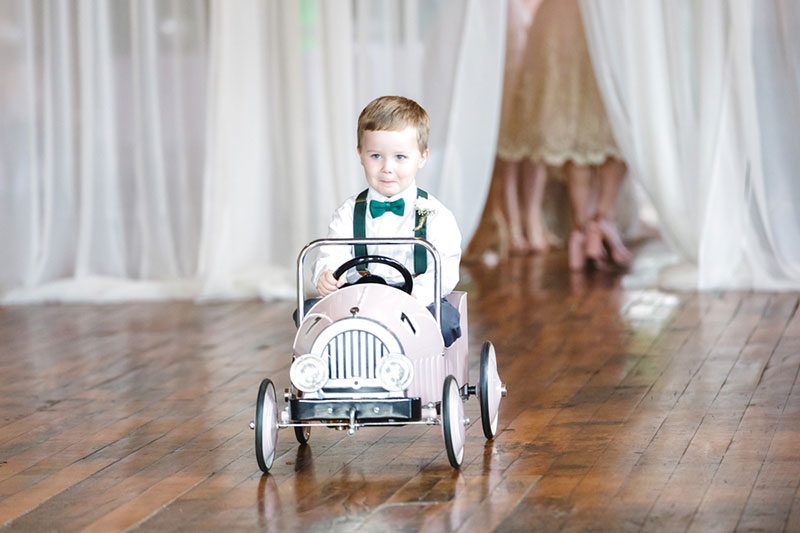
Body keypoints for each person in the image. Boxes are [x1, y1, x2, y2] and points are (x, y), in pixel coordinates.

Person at [309, 95, 462, 346]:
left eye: (400, 157)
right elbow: (331, 253)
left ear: (422, 157)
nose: (387, 168)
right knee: (310, 315)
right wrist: (326, 274)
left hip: (415, 301)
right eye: (376, 156)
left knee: (445, 321)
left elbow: (443, 271)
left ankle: (417, 370)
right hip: (358, 301)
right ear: (360, 154)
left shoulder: (433, 214)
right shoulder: (349, 213)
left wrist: (407, 300)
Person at [495, 0, 634, 271]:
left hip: (558, 20)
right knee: (616, 126)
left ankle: (581, 229)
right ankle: (602, 220)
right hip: (606, 23)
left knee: (576, 129)